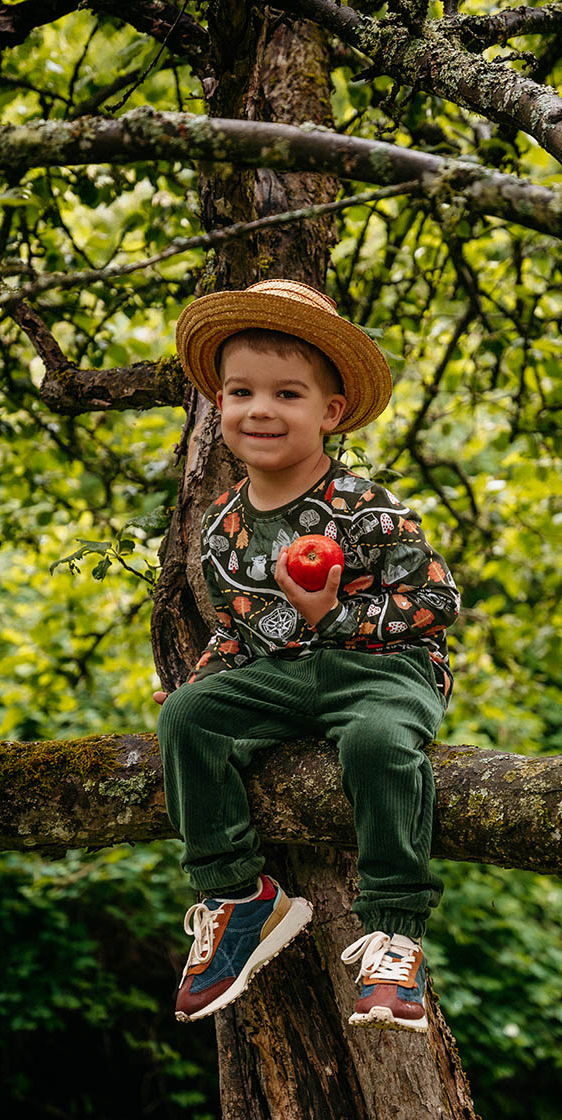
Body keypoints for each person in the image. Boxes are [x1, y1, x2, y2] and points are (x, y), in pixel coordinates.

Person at [155, 278, 461, 1033]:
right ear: (218, 406)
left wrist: (335, 612)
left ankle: (396, 933)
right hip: (285, 676)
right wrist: (198, 687)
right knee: (192, 718)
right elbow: (240, 633)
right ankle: (239, 898)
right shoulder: (223, 530)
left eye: (287, 394)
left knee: (376, 741)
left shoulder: (364, 505)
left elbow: (435, 602)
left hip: (386, 672)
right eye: (241, 392)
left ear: (328, 413)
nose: (261, 410)